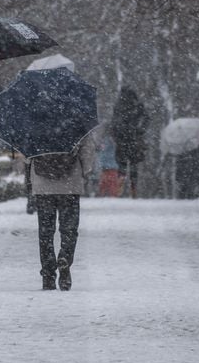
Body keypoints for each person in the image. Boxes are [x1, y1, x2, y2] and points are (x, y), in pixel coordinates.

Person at [30, 136, 95, 291]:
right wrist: (85, 170)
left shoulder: (35, 122)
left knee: (46, 232)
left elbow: (27, 156)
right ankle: (65, 257)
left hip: (43, 185)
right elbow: (87, 150)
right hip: (70, 184)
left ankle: (48, 275)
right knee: (69, 229)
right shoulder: (77, 119)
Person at [110, 87, 149, 198]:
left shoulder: (118, 105)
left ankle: (121, 180)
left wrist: (115, 134)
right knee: (134, 163)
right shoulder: (137, 105)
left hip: (121, 138)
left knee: (121, 163)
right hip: (134, 137)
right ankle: (133, 186)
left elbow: (113, 121)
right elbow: (146, 118)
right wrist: (141, 129)